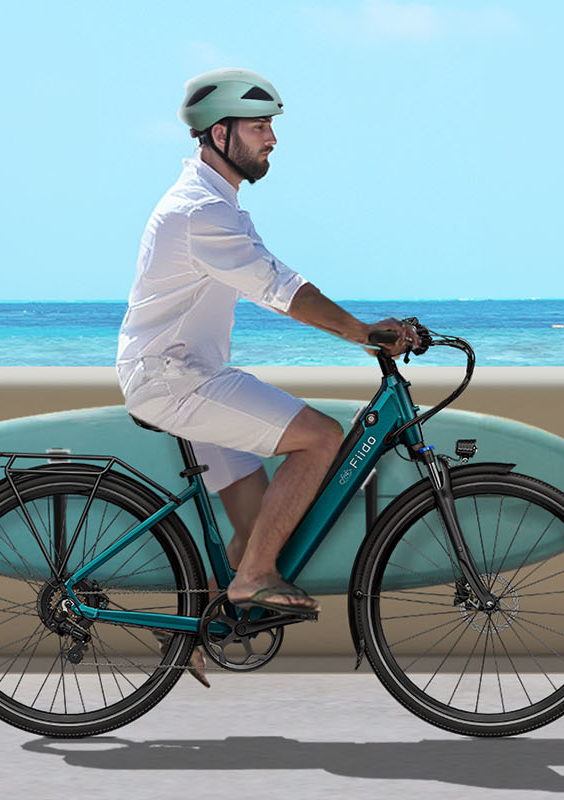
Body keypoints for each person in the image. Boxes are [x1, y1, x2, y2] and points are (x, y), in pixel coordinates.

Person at [116, 68, 416, 684]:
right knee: (322, 437)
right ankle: (252, 581)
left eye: (271, 127)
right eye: (259, 127)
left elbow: (275, 279)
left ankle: (196, 625)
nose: (272, 139)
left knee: (256, 533)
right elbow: (280, 289)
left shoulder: (214, 204)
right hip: (177, 380)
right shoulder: (200, 212)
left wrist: (357, 328)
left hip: (187, 375)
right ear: (219, 133)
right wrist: (362, 332)